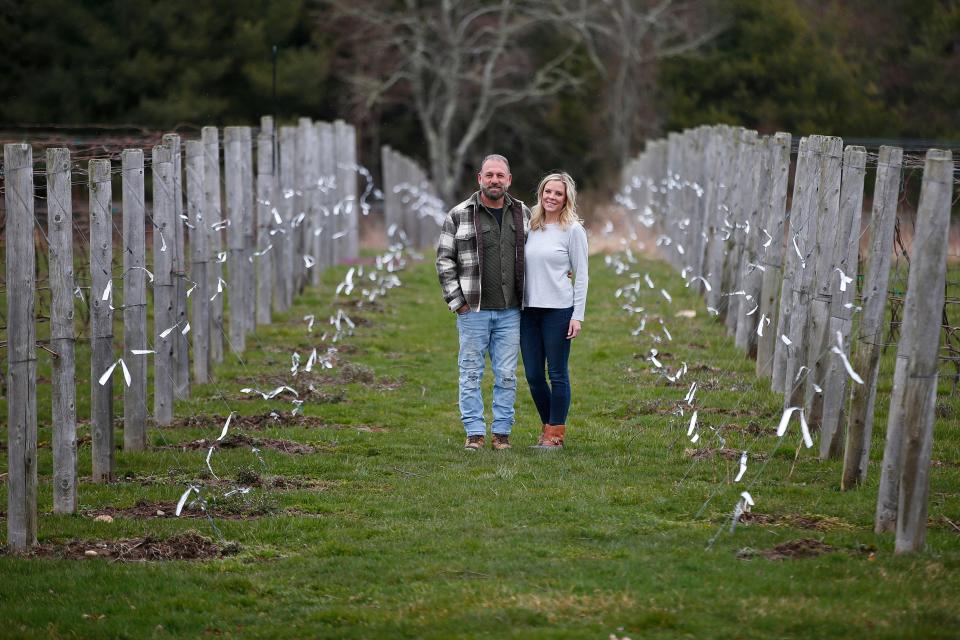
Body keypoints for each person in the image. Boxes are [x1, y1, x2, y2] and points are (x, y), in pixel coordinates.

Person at [436, 154, 532, 451]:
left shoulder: (525, 214)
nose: (494, 180)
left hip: (511, 311)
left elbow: (541, 253)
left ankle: (501, 434)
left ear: (509, 180)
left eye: (500, 176)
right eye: (489, 175)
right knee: (471, 372)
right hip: (473, 310)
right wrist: (458, 303)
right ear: (479, 178)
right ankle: (474, 432)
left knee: (506, 374)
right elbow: (444, 261)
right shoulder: (459, 214)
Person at [520, 172, 588, 449]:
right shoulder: (529, 225)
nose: (551, 197)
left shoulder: (573, 230)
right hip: (527, 311)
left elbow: (581, 275)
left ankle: (554, 436)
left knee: (557, 374)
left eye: (558, 193)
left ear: (566, 198)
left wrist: (577, 315)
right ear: (541, 193)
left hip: (558, 310)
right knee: (534, 375)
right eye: (548, 191)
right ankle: (548, 426)